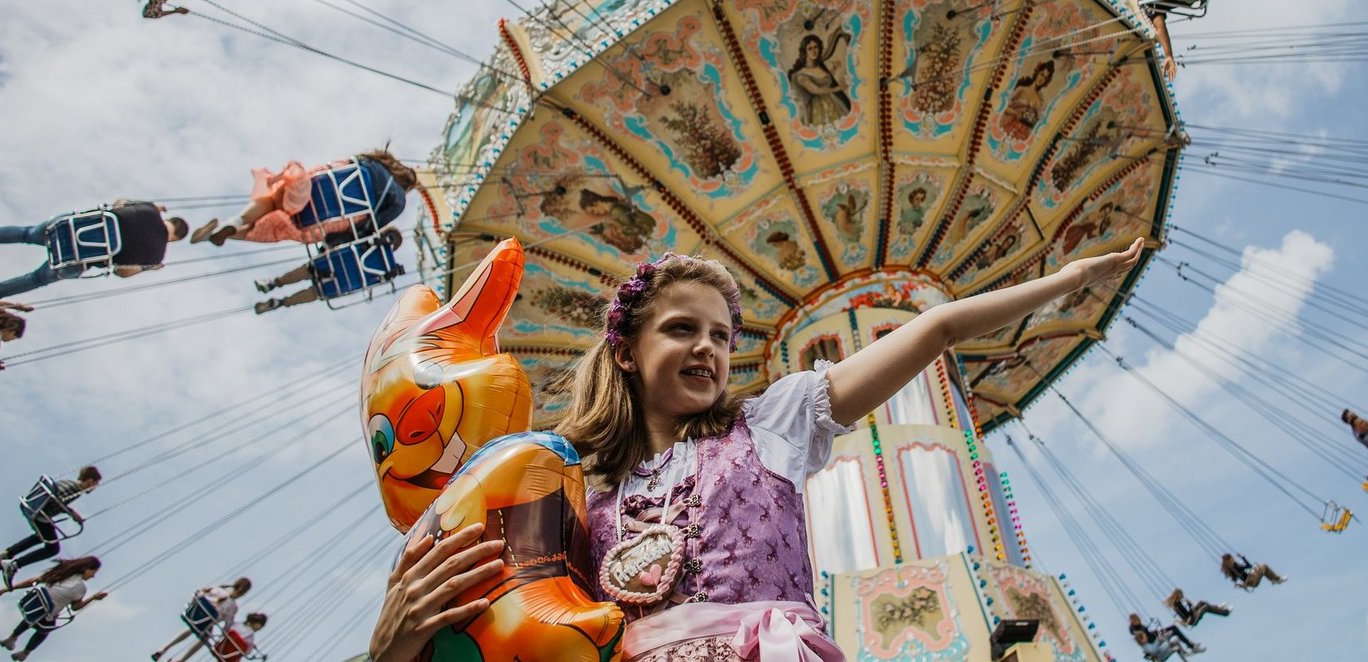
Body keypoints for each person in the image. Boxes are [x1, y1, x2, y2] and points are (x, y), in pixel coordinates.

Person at [366, 240, 1150, 660]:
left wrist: (1068, 280)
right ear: (629, 352)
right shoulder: (579, 491)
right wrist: (392, 646)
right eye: (683, 329)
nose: (709, 349)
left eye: (722, 336)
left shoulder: (771, 424)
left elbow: (936, 329)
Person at [0, 200, 189, 309]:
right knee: (36, 279)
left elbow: (118, 205)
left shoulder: (148, 210)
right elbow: (121, 272)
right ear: (175, 239)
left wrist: (151, 207)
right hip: (77, 258)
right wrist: (148, 267)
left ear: (168, 219)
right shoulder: (156, 256)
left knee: (26, 233)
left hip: (68, 228)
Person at [192, 150, 417, 248]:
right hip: (325, 220)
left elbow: (340, 165)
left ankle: (234, 223)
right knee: (276, 230)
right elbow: (370, 226)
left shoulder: (373, 163)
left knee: (272, 201)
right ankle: (227, 235)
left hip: (311, 189)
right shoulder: (398, 202)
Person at [250, 227, 406, 314]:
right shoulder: (386, 268)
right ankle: (281, 302)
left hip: (332, 263)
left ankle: (275, 283)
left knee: (309, 270)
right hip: (341, 282)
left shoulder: (366, 238)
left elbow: (336, 239)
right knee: (316, 292)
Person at [0, 466, 103, 585]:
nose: (95, 487)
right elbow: (56, 499)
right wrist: (72, 513)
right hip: (41, 515)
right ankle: (13, 565)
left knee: (40, 536)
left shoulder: (68, 483)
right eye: (96, 483)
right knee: (52, 549)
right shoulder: (74, 488)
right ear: (90, 480)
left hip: (36, 512)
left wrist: (70, 512)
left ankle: (4, 555)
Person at [0, 556, 109, 661]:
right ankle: (25, 653)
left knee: (38, 613)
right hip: (46, 617)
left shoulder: (61, 573)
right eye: (93, 572)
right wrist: (94, 598)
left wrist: (11, 588)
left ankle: (12, 637)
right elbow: (75, 607)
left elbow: (33, 581)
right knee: (46, 628)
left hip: (33, 606)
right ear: (87, 569)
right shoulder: (80, 588)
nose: (93, 576)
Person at [151, 578, 254, 661]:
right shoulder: (232, 606)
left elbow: (199, 593)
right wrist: (225, 633)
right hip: (204, 623)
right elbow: (227, 625)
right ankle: (180, 660)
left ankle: (164, 648)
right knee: (204, 637)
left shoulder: (218, 589)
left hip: (193, 614)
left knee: (193, 628)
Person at [1129, 612, 1204, 659]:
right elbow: (1141, 637)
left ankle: (1191, 645)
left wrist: (1156, 631)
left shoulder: (1141, 625)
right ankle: (1191, 646)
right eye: (1136, 620)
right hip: (1155, 642)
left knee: (1173, 627)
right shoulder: (1133, 629)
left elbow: (1148, 633)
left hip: (1156, 637)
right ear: (1133, 621)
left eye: (1138, 619)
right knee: (1173, 633)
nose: (1139, 621)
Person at [1165, 588, 1231, 627]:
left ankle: (1217, 607)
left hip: (1191, 616)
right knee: (1206, 607)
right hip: (1191, 620)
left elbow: (1188, 613)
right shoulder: (1177, 606)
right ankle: (1226, 612)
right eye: (1181, 595)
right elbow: (1187, 616)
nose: (1183, 596)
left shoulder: (1178, 603)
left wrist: (1190, 606)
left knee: (1201, 602)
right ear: (1178, 595)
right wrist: (1189, 605)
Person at [1219, 554, 1284, 589]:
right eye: (1232, 558)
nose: (1234, 559)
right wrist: (1243, 558)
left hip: (1250, 583)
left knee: (1262, 569)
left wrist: (1242, 585)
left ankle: (1274, 579)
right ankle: (1276, 579)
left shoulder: (1231, 570)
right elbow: (1249, 566)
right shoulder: (1235, 567)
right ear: (1229, 560)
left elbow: (1236, 579)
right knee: (1264, 566)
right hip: (1251, 580)